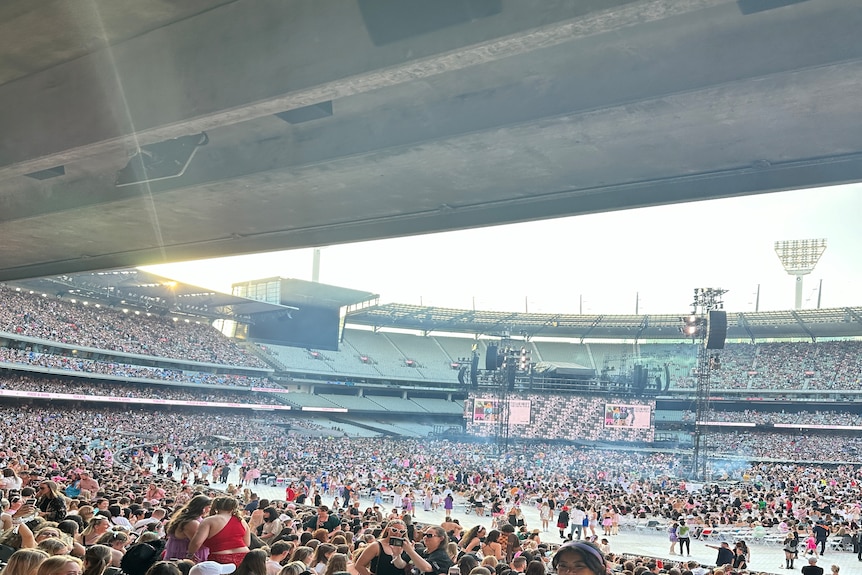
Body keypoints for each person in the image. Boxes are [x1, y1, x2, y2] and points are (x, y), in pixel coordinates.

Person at [187, 497, 251, 567]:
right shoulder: (241, 521)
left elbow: (197, 542)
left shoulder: (209, 521)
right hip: (244, 556)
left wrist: (190, 554)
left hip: (220, 557)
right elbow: (247, 543)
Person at [354, 519, 429, 575]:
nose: (398, 533)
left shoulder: (407, 546)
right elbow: (359, 565)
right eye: (394, 530)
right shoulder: (376, 545)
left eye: (402, 531)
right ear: (387, 530)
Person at [165, 495, 212, 562]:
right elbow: (198, 543)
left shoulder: (187, 518)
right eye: (209, 507)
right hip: (184, 555)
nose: (209, 510)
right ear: (202, 508)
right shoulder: (192, 523)